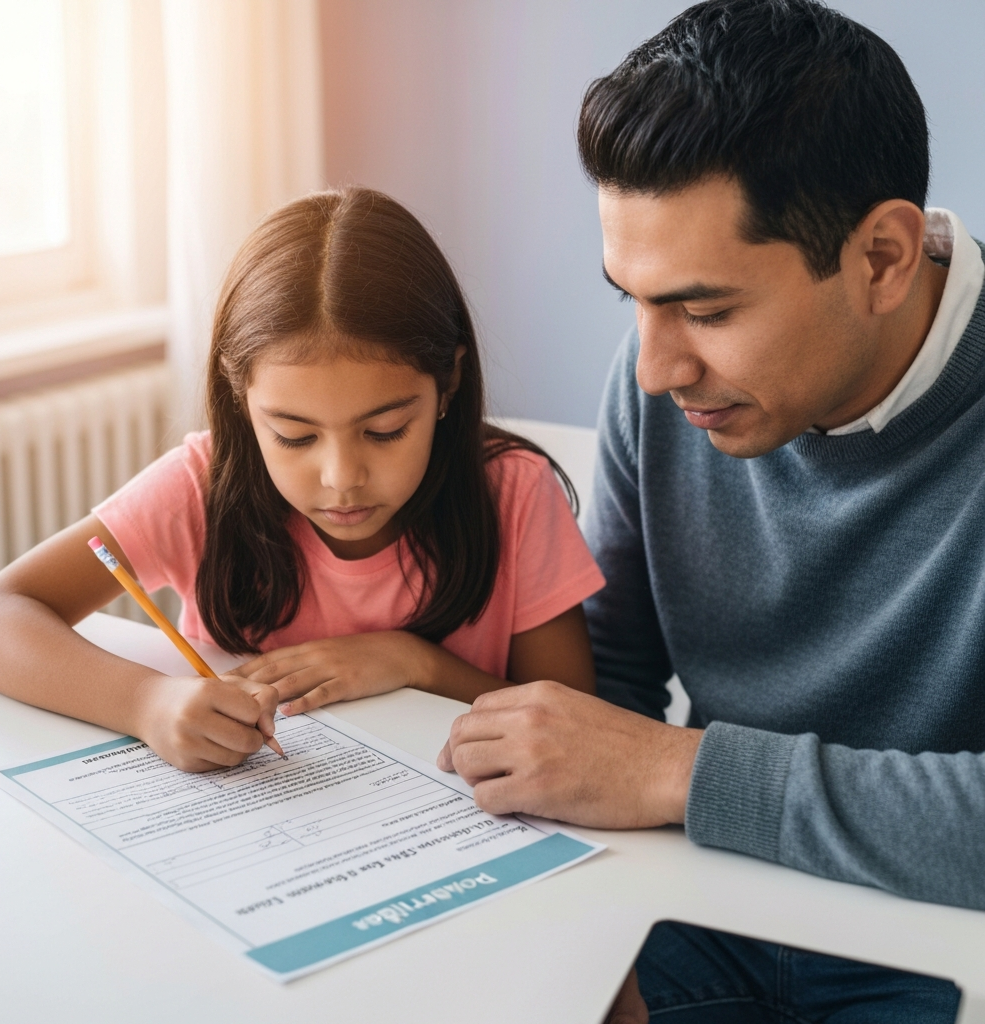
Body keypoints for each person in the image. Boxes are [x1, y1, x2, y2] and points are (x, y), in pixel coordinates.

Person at [437, 0, 981, 1020]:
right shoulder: (665, 385)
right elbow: (613, 689)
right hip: (701, 904)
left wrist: (683, 773)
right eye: (630, 301)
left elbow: (647, 758)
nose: (653, 368)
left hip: (935, 938)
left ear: (881, 258)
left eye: (706, 309)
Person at [0, 187, 603, 773]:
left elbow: (578, 724)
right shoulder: (204, 485)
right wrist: (147, 703)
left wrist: (416, 663)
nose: (340, 478)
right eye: (294, 436)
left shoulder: (514, 495)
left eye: (384, 432)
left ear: (449, 384)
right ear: (242, 399)